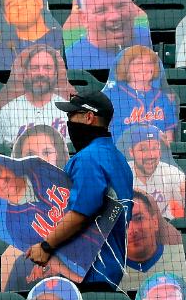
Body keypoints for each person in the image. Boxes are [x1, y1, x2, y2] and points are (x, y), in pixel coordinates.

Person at [26, 90, 134, 289]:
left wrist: (46, 246)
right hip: (109, 268)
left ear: (89, 117)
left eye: (71, 115)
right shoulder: (119, 159)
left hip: (88, 271)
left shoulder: (89, 158)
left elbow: (81, 213)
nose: (69, 122)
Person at [64, 0, 151, 70]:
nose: (115, 16)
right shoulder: (70, 61)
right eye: (101, 10)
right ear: (84, 18)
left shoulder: (150, 39)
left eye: (121, 6)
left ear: (133, 8)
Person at [0, 44, 72, 146]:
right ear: (25, 73)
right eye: (34, 68)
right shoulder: (6, 113)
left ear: (55, 73)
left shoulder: (69, 112)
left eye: (47, 68)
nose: (41, 73)